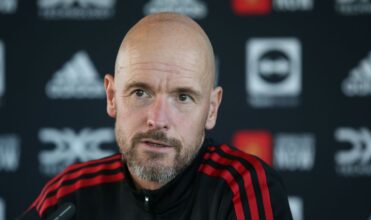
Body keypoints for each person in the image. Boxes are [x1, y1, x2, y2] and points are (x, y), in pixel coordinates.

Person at [18, 12, 292, 220]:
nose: (158, 119)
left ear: (211, 109)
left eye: (183, 97)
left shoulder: (242, 188)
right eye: (140, 93)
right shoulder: (69, 193)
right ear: (112, 97)